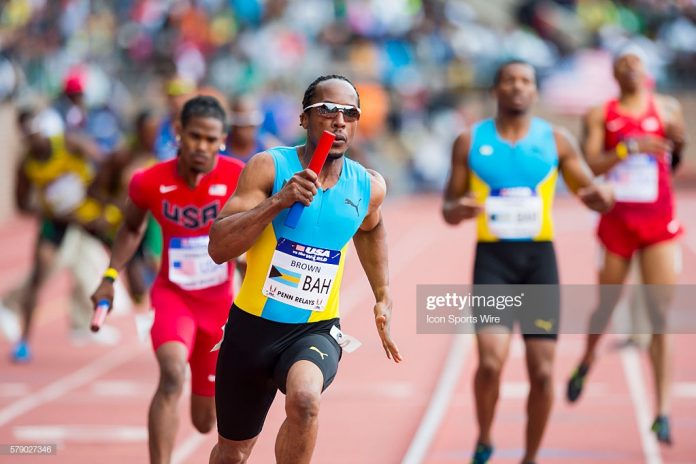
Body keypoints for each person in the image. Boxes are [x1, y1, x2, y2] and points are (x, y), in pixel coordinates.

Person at [207, 74, 402, 464]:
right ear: (304, 119)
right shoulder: (269, 166)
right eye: (327, 110)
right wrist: (279, 201)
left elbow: (371, 226)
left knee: (305, 400)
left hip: (315, 329)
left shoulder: (367, 185)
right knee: (234, 452)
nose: (339, 120)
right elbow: (218, 246)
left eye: (349, 113)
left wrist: (382, 295)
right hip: (251, 328)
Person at [442, 60, 614, 464]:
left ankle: (530, 457)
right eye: (510, 80)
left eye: (526, 81)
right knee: (489, 363)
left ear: (534, 91)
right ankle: (485, 437)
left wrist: (602, 197)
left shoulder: (556, 141)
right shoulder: (469, 142)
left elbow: (589, 189)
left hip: (538, 264)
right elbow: (447, 209)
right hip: (493, 263)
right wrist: (460, 209)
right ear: (496, 90)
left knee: (541, 373)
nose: (518, 87)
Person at [91, 96, 244, 463]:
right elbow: (130, 228)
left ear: (223, 139)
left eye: (211, 139)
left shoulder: (239, 174)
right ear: (178, 133)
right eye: (194, 136)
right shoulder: (149, 181)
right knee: (172, 374)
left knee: (205, 421)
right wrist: (111, 276)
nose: (202, 147)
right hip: (174, 297)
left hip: (219, 304)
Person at [566, 45, 686, 445]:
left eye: (636, 61)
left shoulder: (668, 109)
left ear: (647, 70)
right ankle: (586, 360)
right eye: (623, 64)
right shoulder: (602, 113)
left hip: (658, 221)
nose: (631, 66)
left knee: (659, 318)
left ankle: (662, 411)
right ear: (615, 75)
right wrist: (627, 148)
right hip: (617, 222)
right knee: (606, 306)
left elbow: (676, 159)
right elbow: (590, 165)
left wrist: (679, 143)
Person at [0, 108, 124, 362]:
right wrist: (50, 207)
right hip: (57, 220)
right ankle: (24, 342)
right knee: (41, 271)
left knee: (126, 248)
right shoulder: (27, 165)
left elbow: (103, 160)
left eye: (34, 129)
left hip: (88, 211)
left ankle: (148, 307)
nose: (31, 137)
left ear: (43, 127)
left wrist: (95, 189)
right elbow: (22, 205)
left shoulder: (67, 143)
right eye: (25, 133)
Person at [223, 94, 279, 163]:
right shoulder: (219, 147)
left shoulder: (269, 150)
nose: (243, 132)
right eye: (240, 125)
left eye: (250, 125)